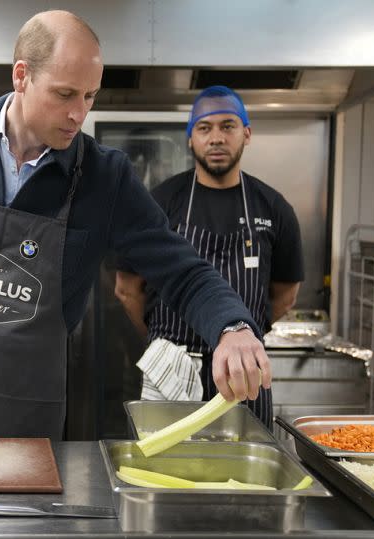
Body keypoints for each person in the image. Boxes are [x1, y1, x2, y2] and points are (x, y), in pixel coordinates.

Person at [0, 11, 273, 440]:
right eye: (64, 94)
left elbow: (184, 272)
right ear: (21, 76)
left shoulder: (105, 178)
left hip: (24, 412)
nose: (78, 115)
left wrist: (232, 328)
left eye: (89, 96)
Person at [114, 86, 304, 429]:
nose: (216, 138)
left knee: (244, 474)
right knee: (164, 473)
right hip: (170, 368)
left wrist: (249, 334)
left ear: (247, 133)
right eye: (204, 128)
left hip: (243, 374)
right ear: (190, 139)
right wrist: (163, 339)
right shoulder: (160, 201)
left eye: (228, 126)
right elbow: (127, 289)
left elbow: (285, 296)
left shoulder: (274, 209)